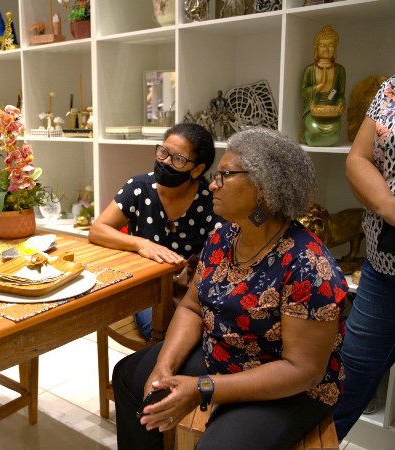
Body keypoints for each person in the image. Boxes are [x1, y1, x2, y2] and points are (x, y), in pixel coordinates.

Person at [112, 127, 347, 450]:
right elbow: (193, 307)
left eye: (224, 176)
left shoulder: (308, 265)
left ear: (263, 187)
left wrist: (203, 388)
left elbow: (302, 370)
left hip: (287, 389)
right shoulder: (223, 237)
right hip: (223, 354)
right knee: (130, 378)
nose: (212, 184)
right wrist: (163, 368)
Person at [89, 123, 219, 340]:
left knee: (198, 332)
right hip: (146, 289)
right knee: (161, 329)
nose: (165, 161)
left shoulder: (210, 201)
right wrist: (141, 244)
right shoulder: (139, 187)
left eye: (177, 159)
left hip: (192, 292)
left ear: (197, 169)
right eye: (163, 152)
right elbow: (98, 230)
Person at [333, 75, 395, 439]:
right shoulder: (390, 88)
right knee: (350, 372)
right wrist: (389, 207)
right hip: (384, 267)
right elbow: (357, 159)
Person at [301, 25, 346, 147]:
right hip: (313, 111)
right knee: (314, 133)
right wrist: (317, 88)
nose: (326, 49)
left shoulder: (339, 70)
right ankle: (306, 134)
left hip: (331, 112)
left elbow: (340, 94)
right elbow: (303, 92)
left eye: (330, 45)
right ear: (316, 47)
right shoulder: (310, 69)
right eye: (323, 45)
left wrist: (340, 104)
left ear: (335, 47)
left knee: (335, 134)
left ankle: (309, 135)